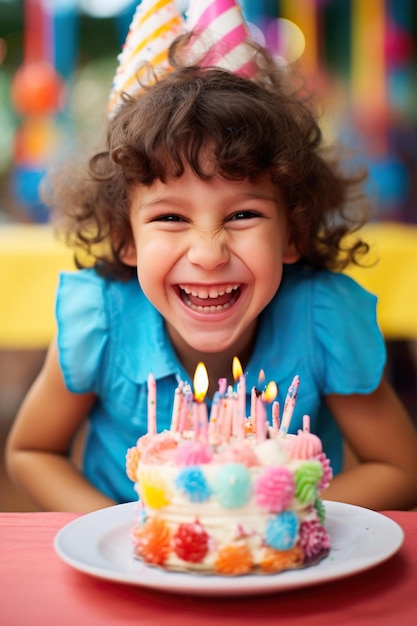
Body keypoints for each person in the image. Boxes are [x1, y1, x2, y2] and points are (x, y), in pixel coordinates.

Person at [6, 35, 417, 513]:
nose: (207, 253)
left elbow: (400, 469)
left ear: (293, 233)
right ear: (126, 238)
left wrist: (264, 517)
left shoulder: (321, 320)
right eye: (171, 218)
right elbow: (30, 452)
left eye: (243, 215)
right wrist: (126, 529)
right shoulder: (99, 323)